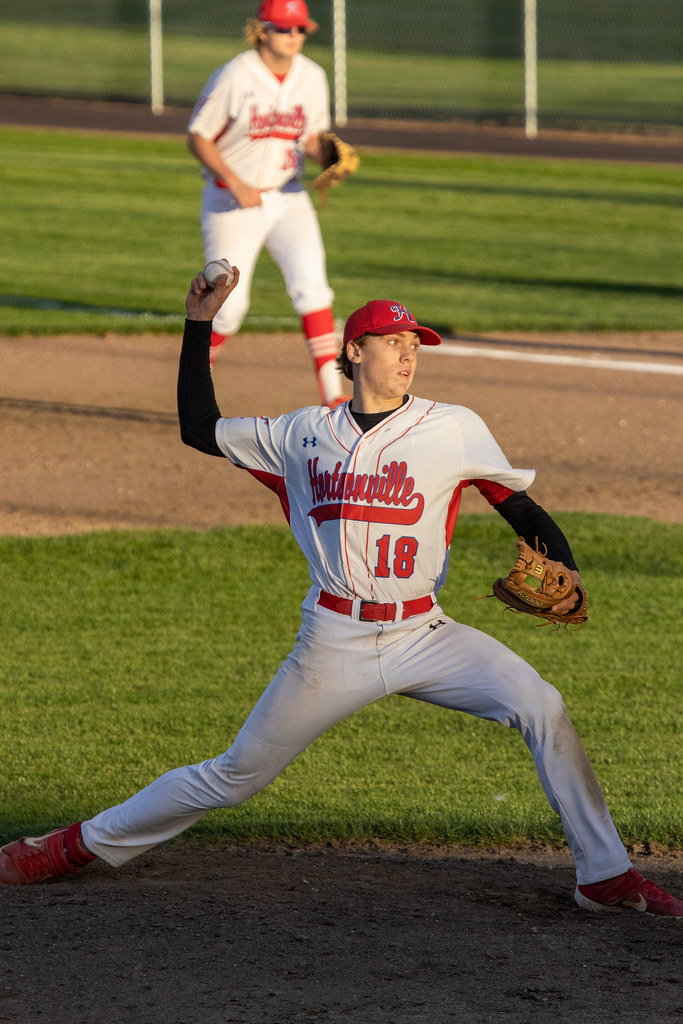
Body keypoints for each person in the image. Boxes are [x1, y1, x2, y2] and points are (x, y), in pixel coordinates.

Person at [1, 267, 682, 921]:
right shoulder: (299, 436)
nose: (407, 355)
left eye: (414, 344)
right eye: (392, 343)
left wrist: (566, 564)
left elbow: (517, 506)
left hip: (426, 635)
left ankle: (605, 876)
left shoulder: (453, 426)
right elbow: (196, 427)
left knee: (541, 704)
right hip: (334, 642)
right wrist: (198, 324)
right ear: (354, 351)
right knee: (235, 776)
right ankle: (69, 847)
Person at [186, 0, 349, 409]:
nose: (293, 36)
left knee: (313, 288)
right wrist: (237, 183)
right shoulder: (235, 75)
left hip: (289, 195)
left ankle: (333, 397)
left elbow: (311, 137)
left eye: (300, 30)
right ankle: (190, 388)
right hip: (230, 199)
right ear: (261, 30)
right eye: (284, 29)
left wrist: (327, 156)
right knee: (228, 306)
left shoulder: (312, 76)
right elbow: (198, 136)